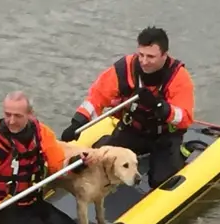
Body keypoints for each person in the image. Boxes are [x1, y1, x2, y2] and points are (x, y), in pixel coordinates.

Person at [60, 26, 195, 189]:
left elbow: (184, 119)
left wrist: (158, 105)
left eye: (151, 57)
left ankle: (179, 154)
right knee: (98, 161)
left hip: (164, 136)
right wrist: (78, 122)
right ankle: (105, 143)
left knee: (160, 180)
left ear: (164, 55)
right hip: (133, 130)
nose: (144, 61)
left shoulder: (178, 77)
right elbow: (98, 96)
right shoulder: (126, 68)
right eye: (141, 55)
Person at [0, 91, 97, 224]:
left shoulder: (41, 133)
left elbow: (58, 166)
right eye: (8, 114)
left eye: (18, 116)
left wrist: (77, 162)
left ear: (30, 114)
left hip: (33, 203)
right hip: (1, 209)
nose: (11, 121)